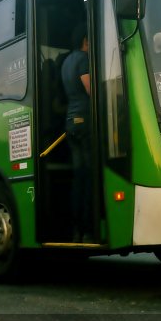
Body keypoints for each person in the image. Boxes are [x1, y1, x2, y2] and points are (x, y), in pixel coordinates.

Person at [60, 23, 93, 243]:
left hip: (71, 122)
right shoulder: (83, 60)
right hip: (84, 120)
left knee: (78, 177)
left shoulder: (66, 62)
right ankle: (87, 228)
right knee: (89, 177)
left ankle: (75, 229)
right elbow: (91, 90)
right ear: (85, 41)